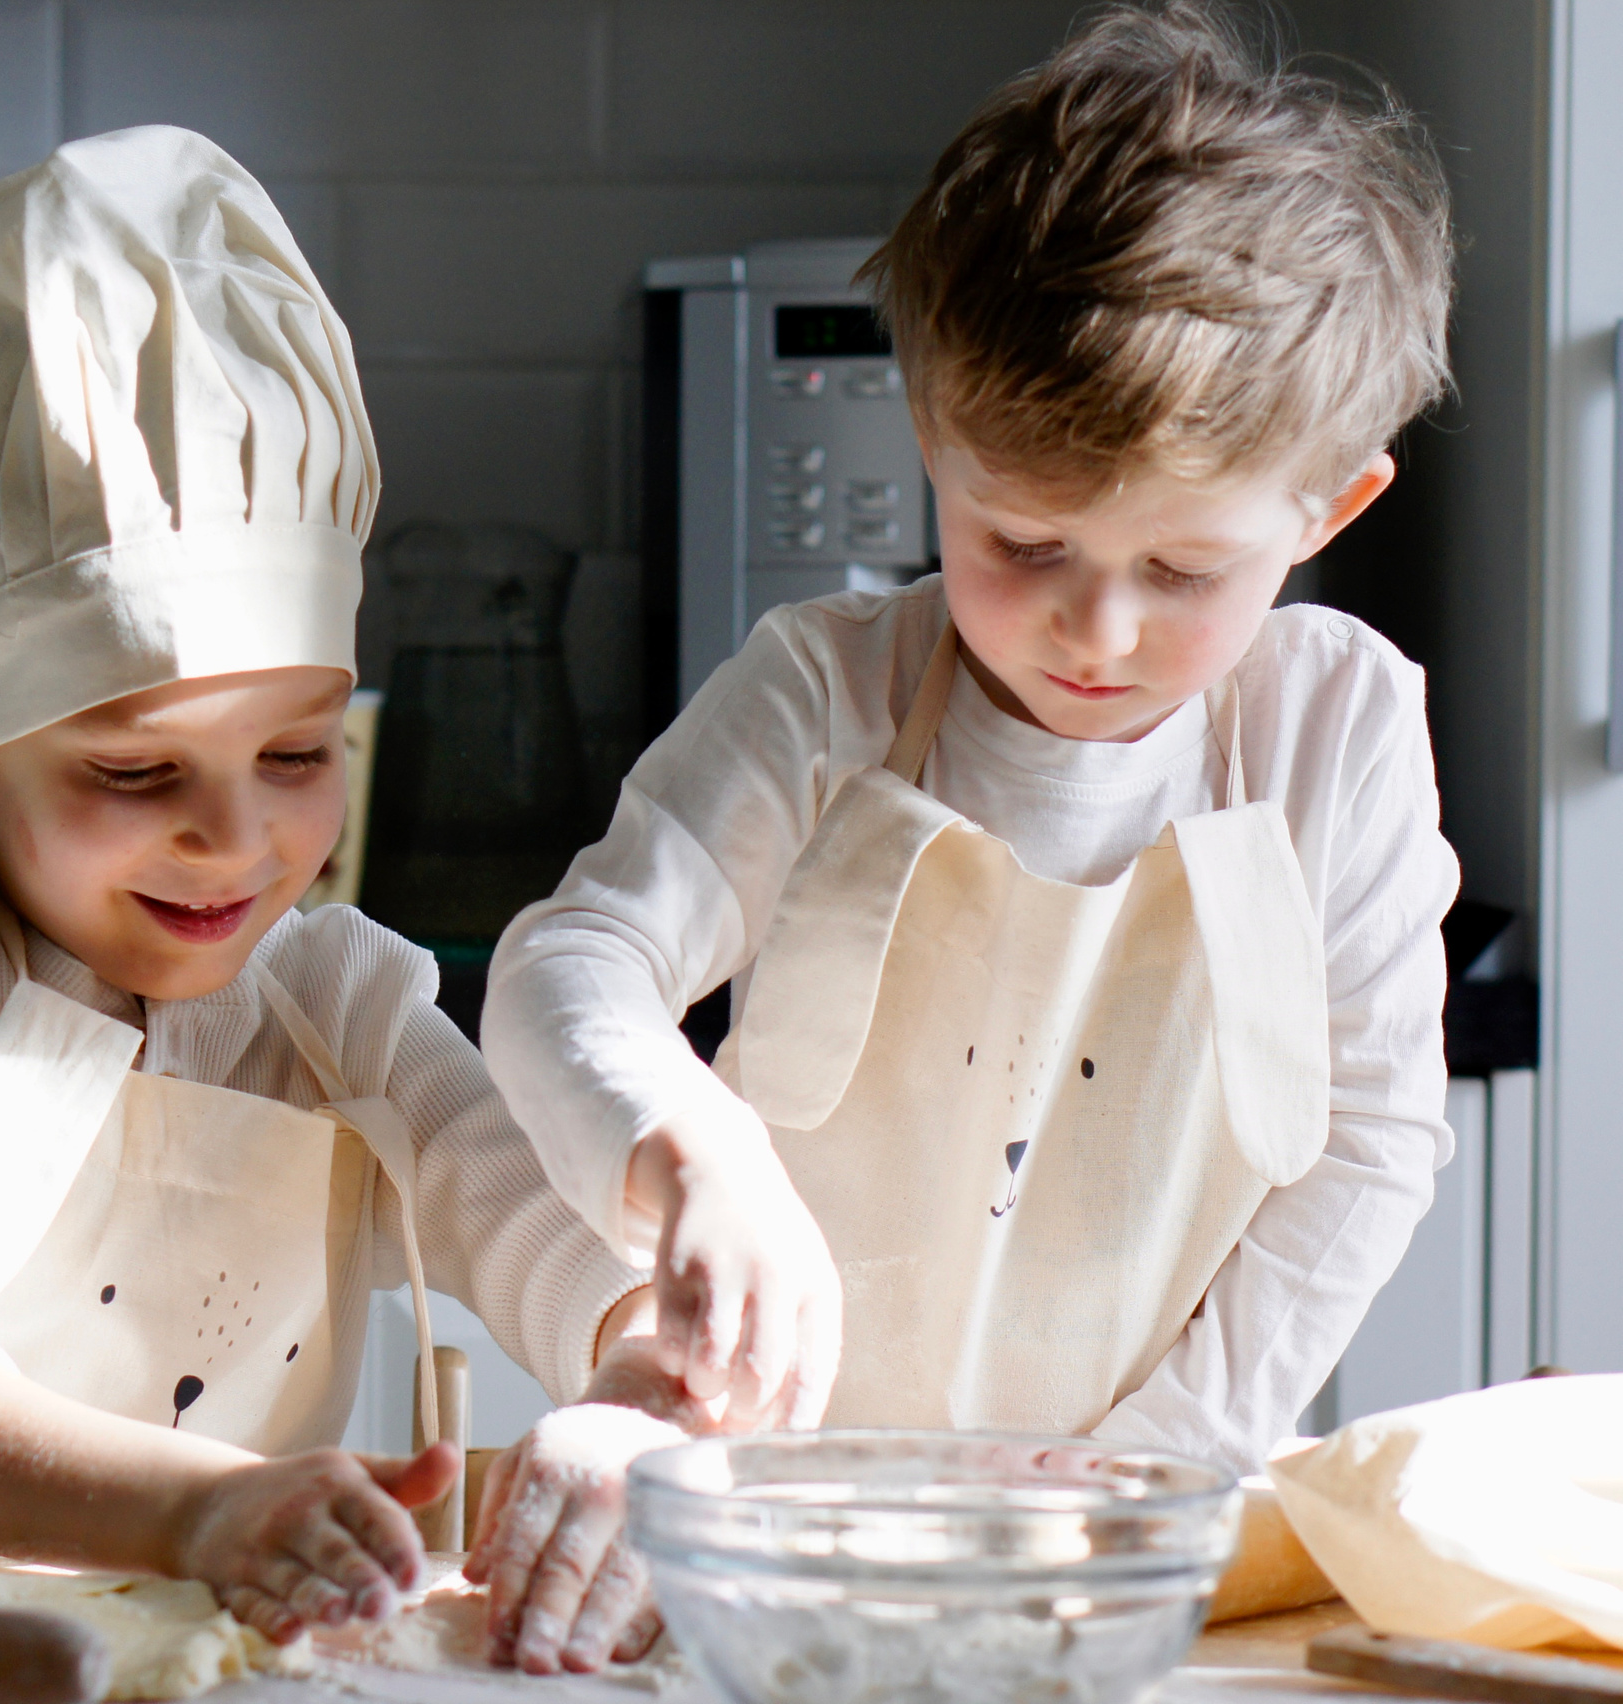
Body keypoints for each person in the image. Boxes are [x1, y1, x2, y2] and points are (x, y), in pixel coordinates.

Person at [471, 0, 1460, 1651]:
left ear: (1327, 507)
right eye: (1024, 543)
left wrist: (1150, 1469)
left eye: (1184, 570)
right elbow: (572, 965)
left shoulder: (1333, 735)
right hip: (783, 1504)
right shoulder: (828, 692)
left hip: (1137, 1519)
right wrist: (695, 1155)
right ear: (930, 440)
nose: (1098, 631)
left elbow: (1369, 1141)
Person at [0, 125, 688, 1668]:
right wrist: (203, 1511)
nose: (234, 839)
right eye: (137, 772)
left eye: (297, 753)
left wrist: (634, 1408)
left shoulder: (336, 997)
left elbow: (567, 1248)